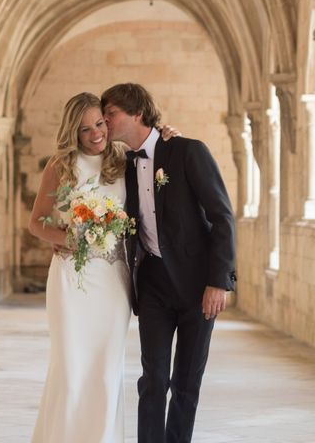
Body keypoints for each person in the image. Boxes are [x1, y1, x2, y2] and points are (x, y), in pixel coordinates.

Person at [28, 92, 178, 443]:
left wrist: (167, 134)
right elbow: (36, 223)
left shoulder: (124, 158)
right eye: (85, 130)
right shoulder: (60, 165)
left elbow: (155, 163)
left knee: (106, 371)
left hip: (113, 282)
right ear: (73, 133)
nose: (95, 134)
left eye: (99, 124)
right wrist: (69, 239)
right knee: (71, 369)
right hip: (71, 279)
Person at [101, 83, 237, 443]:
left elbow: (222, 217)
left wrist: (219, 281)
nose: (105, 120)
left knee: (187, 383)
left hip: (198, 287)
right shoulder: (121, 166)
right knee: (153, 380)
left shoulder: (188, 152)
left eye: (111, 113)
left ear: (137, 114)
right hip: (153, 286)